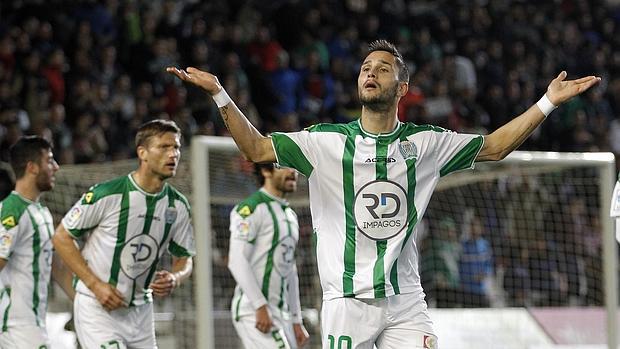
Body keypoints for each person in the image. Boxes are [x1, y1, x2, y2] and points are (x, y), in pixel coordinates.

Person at [167, 39, 600, 348]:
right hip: (346, 302)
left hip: (405, 298)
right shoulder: (325, 141)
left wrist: (547, 101)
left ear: (401, 88)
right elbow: (257, 148)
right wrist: (220, 94)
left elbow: (495, 146)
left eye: (382, 68)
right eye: (365, 68)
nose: (370, 72)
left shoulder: (426, 143)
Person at [52, 119, 195, 349]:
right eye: (164, 147)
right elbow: (61, 237)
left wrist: (175, 278)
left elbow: (185, 259)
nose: (173, 154)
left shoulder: (177, 205)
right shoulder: (108, 194)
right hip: (97, 307)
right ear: (143, 153)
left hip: (140, 311)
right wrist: (95, 285)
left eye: (176, 147)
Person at [0, 136, 75, 348]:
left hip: (34, 322)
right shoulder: (12, 211)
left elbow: (55, 267)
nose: (56, 167)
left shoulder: (42, 212)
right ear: (32, 167)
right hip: (16, 326)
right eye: (50, 161)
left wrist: (83, 302)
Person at [228, 162, 309, 348]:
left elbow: (290, 269)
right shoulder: (251, 208)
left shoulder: (290, 215)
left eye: (293, 166)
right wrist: (259, 305)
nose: (292, 171)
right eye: (284, 166)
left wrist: (296, 319)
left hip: (281, 314)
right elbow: (236, 260)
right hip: (254, 311)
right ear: (265, 171)